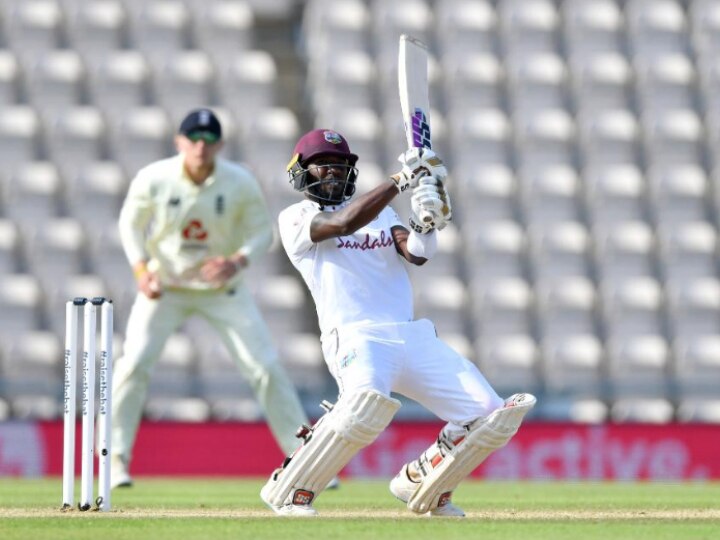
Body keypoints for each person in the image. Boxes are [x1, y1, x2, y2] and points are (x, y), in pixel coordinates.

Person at [260, 129, 536, 517]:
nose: (333, 172)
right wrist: (400, 180)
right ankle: (291, 490)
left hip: (410, 335)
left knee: (490, 414)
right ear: (301, 172)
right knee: (362, 409)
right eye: (323, 165)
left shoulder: (383, 215)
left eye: (340, 166)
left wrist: (427, 223)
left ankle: (420, 480)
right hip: (356, 336)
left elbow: (417, 255)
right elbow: (340, 224)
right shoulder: (296, 218)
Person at [110, 108, 313, 489]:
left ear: (219, 144)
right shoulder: (155, 178)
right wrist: (141, 271)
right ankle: (115, 458)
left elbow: (260, 234)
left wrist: (236, 262)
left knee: (265, 366)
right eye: (193, 138)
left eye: (208, 140)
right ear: (179, 142)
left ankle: (304, 459)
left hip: (223, 289)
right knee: (133, 364)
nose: (200, 147)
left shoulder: (238, 181)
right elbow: (130, 224)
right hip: (165, 287)